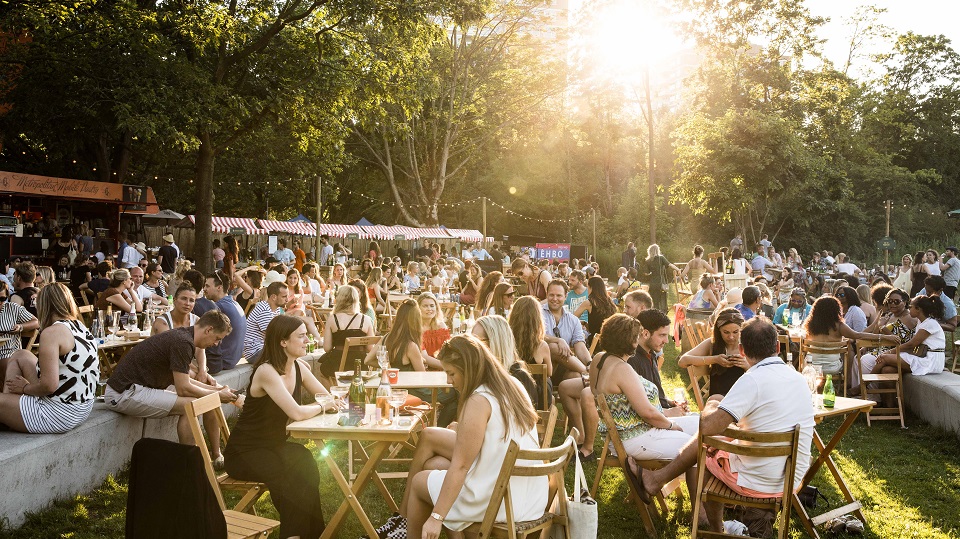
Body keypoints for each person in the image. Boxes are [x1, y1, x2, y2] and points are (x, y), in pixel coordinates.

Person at [640, 318, 815, 532]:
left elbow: (707, 427)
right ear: (777, 347)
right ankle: (658, 481)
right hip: (792, 477)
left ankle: (714, 529)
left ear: (742, 350)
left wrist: (712, 404)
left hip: (758, 481)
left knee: (705, 449)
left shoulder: (752, 380)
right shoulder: (798, 379)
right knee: (723, 440)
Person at [376, 335, 546, 539]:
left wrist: (436, 518)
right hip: (529, 496)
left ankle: (406, 529)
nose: (448, 381)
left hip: (498, 499)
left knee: (420, 481)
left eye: (451, 373)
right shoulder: (512, 384)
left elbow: (460, 467)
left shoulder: (479, 400)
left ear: (468, 367)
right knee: (434, 465)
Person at [224, 315, 334, 539]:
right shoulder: (267, 371)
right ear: (283, 341)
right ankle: (295, 536)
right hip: (245, 452)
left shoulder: (299, 366)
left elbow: (325, 395)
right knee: (291, 475)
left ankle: (310, 534)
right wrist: (323, 406)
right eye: (301, 336)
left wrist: (330, 402)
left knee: (305, 460)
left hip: (272, 446)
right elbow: (296, 412)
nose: (307, 340)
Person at [104, 311, 237, 463]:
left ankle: (213, 455)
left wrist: (217, 390)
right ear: (208, 330)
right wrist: (217, 395)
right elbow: (183, 388)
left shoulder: (184, 337)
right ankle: (190, 463)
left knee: (202, 398)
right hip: (123, 392)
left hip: (137, 388)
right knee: (192, 405)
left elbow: (183, 380)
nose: (216, 344)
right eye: (217, 339)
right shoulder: (183, 342)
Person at [588, 314, 698, 492]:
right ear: (628, 340)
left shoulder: (599, 359)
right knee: (694, 447)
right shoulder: (622, 369)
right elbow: (647, 412)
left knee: (701, 423)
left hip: (628, 432)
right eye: (637, 336)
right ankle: (700, 513)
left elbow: (594, 391)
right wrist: (671, 425)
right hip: (634, 438)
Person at [0, 283, 98, 433]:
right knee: (21, 355)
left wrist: (25, 388)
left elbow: (48, 386)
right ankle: (10, 411)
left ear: (45, 304)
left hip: (58, 414)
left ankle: (8, 412)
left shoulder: (51, 333)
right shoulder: (80, 326)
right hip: (81, 408)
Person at [805, 295, 897, 377]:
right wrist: (884, 337)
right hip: (832, 368)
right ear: (836, 310)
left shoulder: (810, 325)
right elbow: (858, 335)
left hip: (810, 366)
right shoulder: (839, 326)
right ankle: (847, 383)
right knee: (848, 351)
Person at [862, 295, 945, 383]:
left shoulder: (930, 323)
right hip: (922, 357)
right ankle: (891, 397)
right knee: (887, 370)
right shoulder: (922, 322)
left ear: (918, 309)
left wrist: (889, 352)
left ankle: (863, 386)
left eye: (910, 307)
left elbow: (911, 344)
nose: (909, 310)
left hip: (930, 361)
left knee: (884, 357)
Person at [472, 315, 540, 409]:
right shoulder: (478, 374)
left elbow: (525, 421)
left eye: (479, 341)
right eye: (472, 341)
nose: (473, 346)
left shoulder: (519, 378)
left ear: (497, 342)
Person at [679, 308, 749, 396]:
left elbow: (762, 377)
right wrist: (714, 359)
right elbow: (683, 361)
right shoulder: (712, 344)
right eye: (726, 332)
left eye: (735, 332)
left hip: (742, 399)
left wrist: (746, 366)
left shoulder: (748, 346)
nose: (731, 337)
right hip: (717, 401)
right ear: (719, 331)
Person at [315, 285, 375, 383]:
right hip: (360, 365)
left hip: (337, 363)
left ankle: (335, 395)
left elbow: (327, 348)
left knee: (322, 372)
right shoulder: (366, 319)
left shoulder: (332, 319)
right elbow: (369, 348)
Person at [541, 279, 590, 386]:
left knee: (576, 378)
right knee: (553, 347)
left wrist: (590, 363)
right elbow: (535, 335)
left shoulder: (573, 320)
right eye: (551, 295)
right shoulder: (538, 314)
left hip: (564, 368)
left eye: (559, 295)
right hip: (542, 369)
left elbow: (579, 344)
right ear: (546, 295)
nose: (554, 299)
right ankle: (589, 375)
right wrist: (558, 340)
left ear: (566, 296)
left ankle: (587, 373)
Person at [201, 271, 246, 374]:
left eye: (207, 286)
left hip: (223, 361)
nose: (204, 289)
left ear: (219, 287)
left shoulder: (219, 307)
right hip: (232, 359)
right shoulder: (233, 303)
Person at [509, 295, 553, 386]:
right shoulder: (542, 346)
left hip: (514, 390)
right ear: (537, 319)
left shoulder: (508, 343)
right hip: (536, 394)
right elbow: (549, 373)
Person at [243, 282, 288, 362]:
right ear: (273, 297)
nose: (287, 300)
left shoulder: (276, 309)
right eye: (284, 297)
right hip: (255, 352)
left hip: (263, 349)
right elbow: (274, 335)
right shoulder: (264, 310)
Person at [573, 275, 617, 349]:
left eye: (587, 287)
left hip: (595, 342)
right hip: (610, 341)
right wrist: (587, 324)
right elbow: (600, 320)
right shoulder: (610, 302)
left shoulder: (589, 303)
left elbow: (573, 318)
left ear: (591, 288)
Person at [642, 244, 680, 312]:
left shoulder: (648, 261)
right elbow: (670, 265)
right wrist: (678, 269)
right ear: (657, 250)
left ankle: (654, 313)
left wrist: (651, 273)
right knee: (663, 299)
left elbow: (646, 273)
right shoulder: (661, 258)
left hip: (653, 283)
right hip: (661, 283)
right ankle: (663, 313)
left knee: (654, 300)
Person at [417, 292, 451, 358]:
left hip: (442, 363)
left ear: (436, 308)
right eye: (425, 306)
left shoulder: (441, 325)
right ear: (418, 308)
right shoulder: (415, 327)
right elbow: (424, 357)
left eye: (432, 306)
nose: (429, 309)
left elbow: (449, 351)